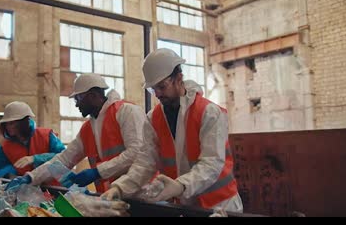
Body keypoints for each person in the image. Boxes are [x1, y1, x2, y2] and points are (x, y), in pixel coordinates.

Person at [102, 48, 243, 213]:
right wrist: (120, 187)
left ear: (179, 78)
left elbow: (211, 163)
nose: (158, 94)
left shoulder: (209, 112)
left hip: (220, 206)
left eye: (162, 86)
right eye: (153, 89)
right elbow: (145, 163)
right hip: (185, 206)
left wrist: (180, 185)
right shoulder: (153, 118)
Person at [6, 73, 146, 193]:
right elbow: (63, 159)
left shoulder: (126, 112)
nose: (77, 104)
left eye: (78, 99)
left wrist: (97, 172)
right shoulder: (88, 129)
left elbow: (137, 152)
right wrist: (31, 177)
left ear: (92, 95)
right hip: (113, 196)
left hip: (142, 193)